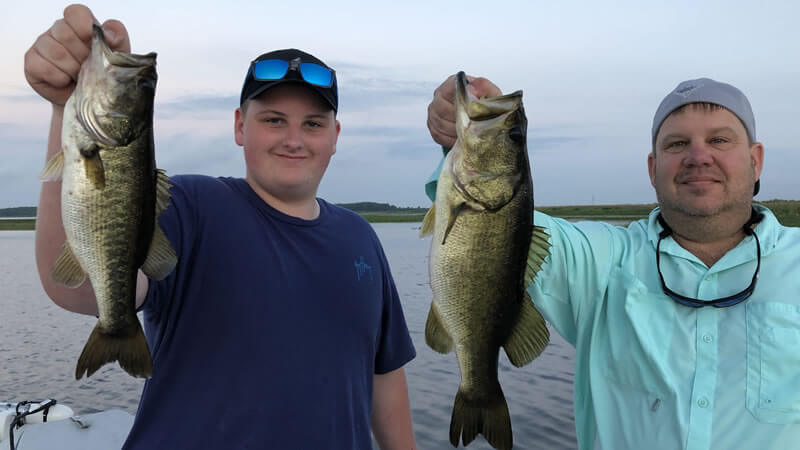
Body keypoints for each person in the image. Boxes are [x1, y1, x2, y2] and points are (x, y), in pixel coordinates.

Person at [25, 4, 417, 449]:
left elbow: (384, 373)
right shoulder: (192, 206)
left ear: (335, 136)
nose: (294, 139)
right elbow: (78, 291)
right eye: (273, 120)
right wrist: (65, 109)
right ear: (239, 127)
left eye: (313, 124)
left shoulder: (360, 236)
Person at [426, 74, 800, 449]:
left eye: (719, 140)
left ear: (756, 160)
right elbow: (498, 225)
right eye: (677, 143)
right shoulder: (601, 262)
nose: (698, 157)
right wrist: (460, 137)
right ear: (653, 169)